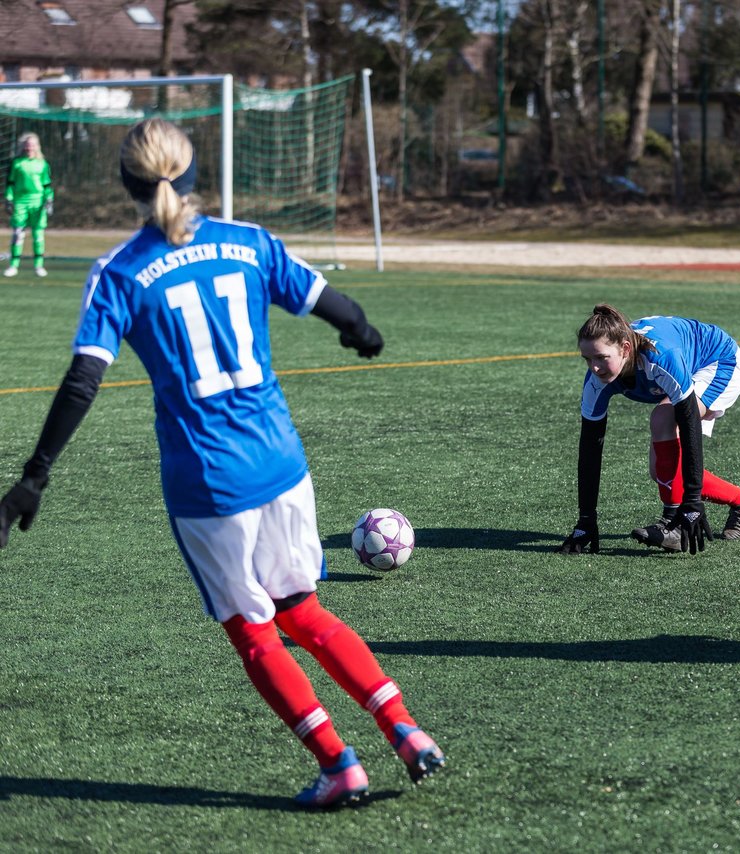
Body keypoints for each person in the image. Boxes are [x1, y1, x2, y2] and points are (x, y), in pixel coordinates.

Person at [0, 118, 443, 809]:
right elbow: (337, 307)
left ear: (128, 184)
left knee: (253, 628)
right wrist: (361, 330)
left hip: (208, 480)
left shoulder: (119, 271)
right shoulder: (250, 243)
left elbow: (84, 380)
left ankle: (339, 766)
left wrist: (34, 476)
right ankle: (406, 730)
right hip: (282, 461)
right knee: (305, 610)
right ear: (194, 173)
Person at [558, 304, 740, 556]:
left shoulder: (660, 357)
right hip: (683, 367)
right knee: (662, 472)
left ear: (625, 349)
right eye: (587, 359)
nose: (594, 368)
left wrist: (692, 503)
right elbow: (590, 448)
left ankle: (671, 523)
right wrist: (585, 520)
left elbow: (689, 428)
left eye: (601, 358)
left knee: (663, 418)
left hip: (717, 360)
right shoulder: (596, 382)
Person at [5, 131, 54, 277]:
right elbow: (10, 183)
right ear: (23, 146)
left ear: (36, 146)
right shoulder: (17, 163)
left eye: (32, 145)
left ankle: (38, 266)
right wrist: (9, 199)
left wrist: (49, 199)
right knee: (18, 234)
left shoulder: (42, 164)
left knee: (38, 234)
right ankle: (13, 265)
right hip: (20, 202)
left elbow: (47, 185)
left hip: (37, 202)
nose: (29, 148)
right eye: (27, 145)